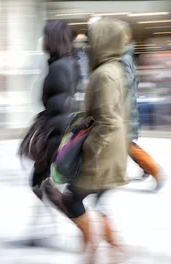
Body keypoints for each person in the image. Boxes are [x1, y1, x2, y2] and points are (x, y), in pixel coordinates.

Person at [44, 18, 129, 264]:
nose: (89, 44)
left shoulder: (103, 74)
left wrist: (89, 148)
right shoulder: (113, 69)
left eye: (93, 39)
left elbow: (108, 120)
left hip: (101, 153)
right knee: (90, 199)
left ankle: (97, 250)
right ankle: (109, 248)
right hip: (111, 150)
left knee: (72, 199)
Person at [30, 20, 80, 198]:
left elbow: (53, 103)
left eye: (45, 36)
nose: (42, 39)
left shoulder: (59, 67)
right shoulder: (68, 62)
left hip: (55, 129)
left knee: (42, 182)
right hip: (59, 127)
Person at [121, 23, 164, 191]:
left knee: (126, 144)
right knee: (125, 144)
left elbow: (125, 85)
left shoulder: (123, 58)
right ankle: (147, 168)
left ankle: (155, 170)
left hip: (124, 109)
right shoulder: (125, 56)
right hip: (126, 107)